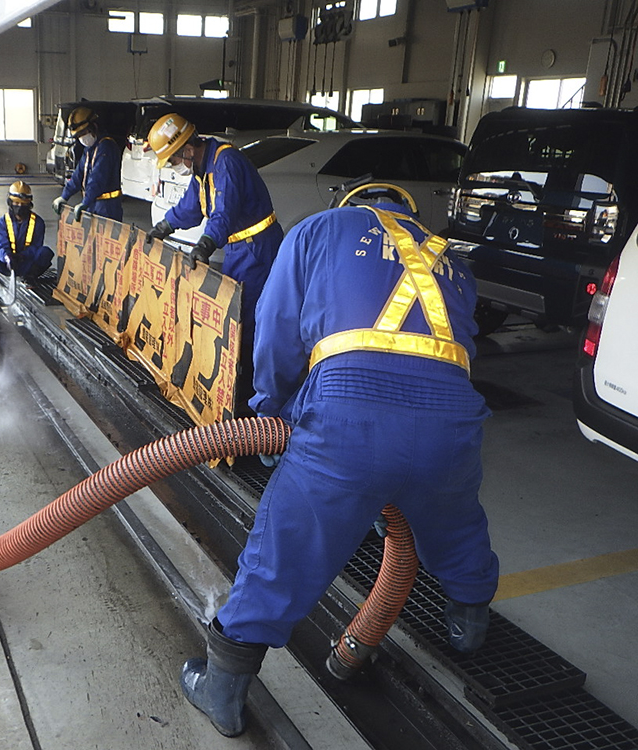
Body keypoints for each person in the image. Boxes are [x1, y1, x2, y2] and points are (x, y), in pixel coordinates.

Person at [179, 184, 500, 738]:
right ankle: (469, 626)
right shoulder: (453, 260)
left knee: (284, 550)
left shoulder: (319, 230)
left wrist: (271, 409)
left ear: (352, 203)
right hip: (454, 423)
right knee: (457, 523)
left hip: (348, 415)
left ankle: (224, 691)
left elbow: (277, 329)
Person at [144, 112, 283, 411]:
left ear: (188, 149)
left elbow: (225, 212)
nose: (174, 166)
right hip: (239, 250)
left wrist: (205, 245)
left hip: (256, 250)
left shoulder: (226, 162)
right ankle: (237, 382)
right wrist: (164, 227)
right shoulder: (203, 169)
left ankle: (251, 396)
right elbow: (191, 206)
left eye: (173, 159)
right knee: (233, 316)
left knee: (250, 319)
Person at [52, 107, 123, 222]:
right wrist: (64, 196)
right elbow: (78, 174)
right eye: (79, 135)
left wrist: (85, 202)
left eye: (84, 133)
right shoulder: (90, 149)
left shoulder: (106, 147)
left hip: (107, 208)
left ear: (94, 127)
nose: (82, 138)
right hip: (93, 204)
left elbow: (98, 179)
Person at [0, 181, 53, 284]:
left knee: (45, 252)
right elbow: (0, 246)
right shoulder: (2, 222)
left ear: (29, 204)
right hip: (7, 264)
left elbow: (36, 246)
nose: (20, 206)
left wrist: (21, 256)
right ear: (10, 203)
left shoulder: (37, 222)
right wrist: (7, 257)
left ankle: (30, 277)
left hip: (27, 263)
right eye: (16, 203)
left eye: (23, 204)